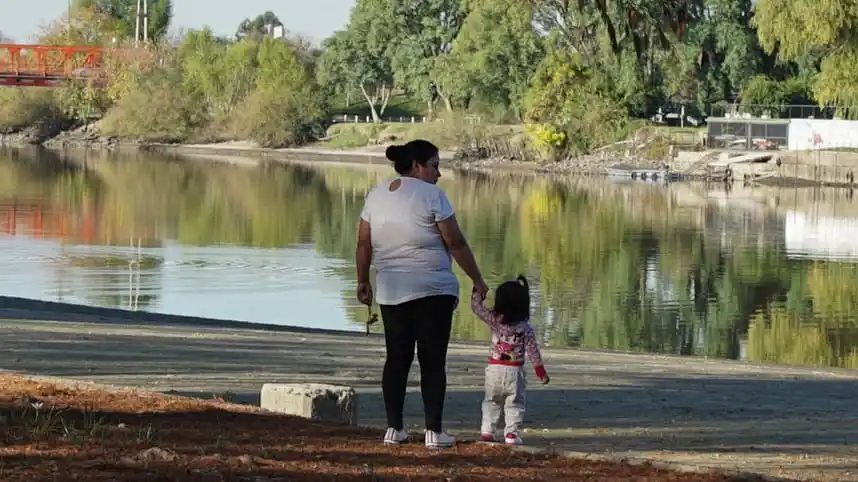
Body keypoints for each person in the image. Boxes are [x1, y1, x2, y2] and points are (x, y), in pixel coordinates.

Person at [355, 139, 489, 448]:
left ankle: (394, 429)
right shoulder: (433, 195)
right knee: (432, 360)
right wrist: (478, 280)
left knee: (396, 359)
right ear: (418, 165)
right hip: (433, 290)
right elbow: (455, 243)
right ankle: (434, 432)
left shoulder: (375, 196)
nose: (439, 173)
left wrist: (362, 281)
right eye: (435, 165)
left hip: (391, 290)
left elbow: (364, 244)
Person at [470, 275, 549, 445]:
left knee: (491, 400)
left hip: (494, 370)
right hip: (515, 371)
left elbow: (476, 307)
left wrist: (477, 290)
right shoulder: (525, 328)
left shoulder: (493, 319)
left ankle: (487, 430)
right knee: (515, 403)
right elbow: (533, 350)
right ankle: (511, 434)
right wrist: (540, 370)